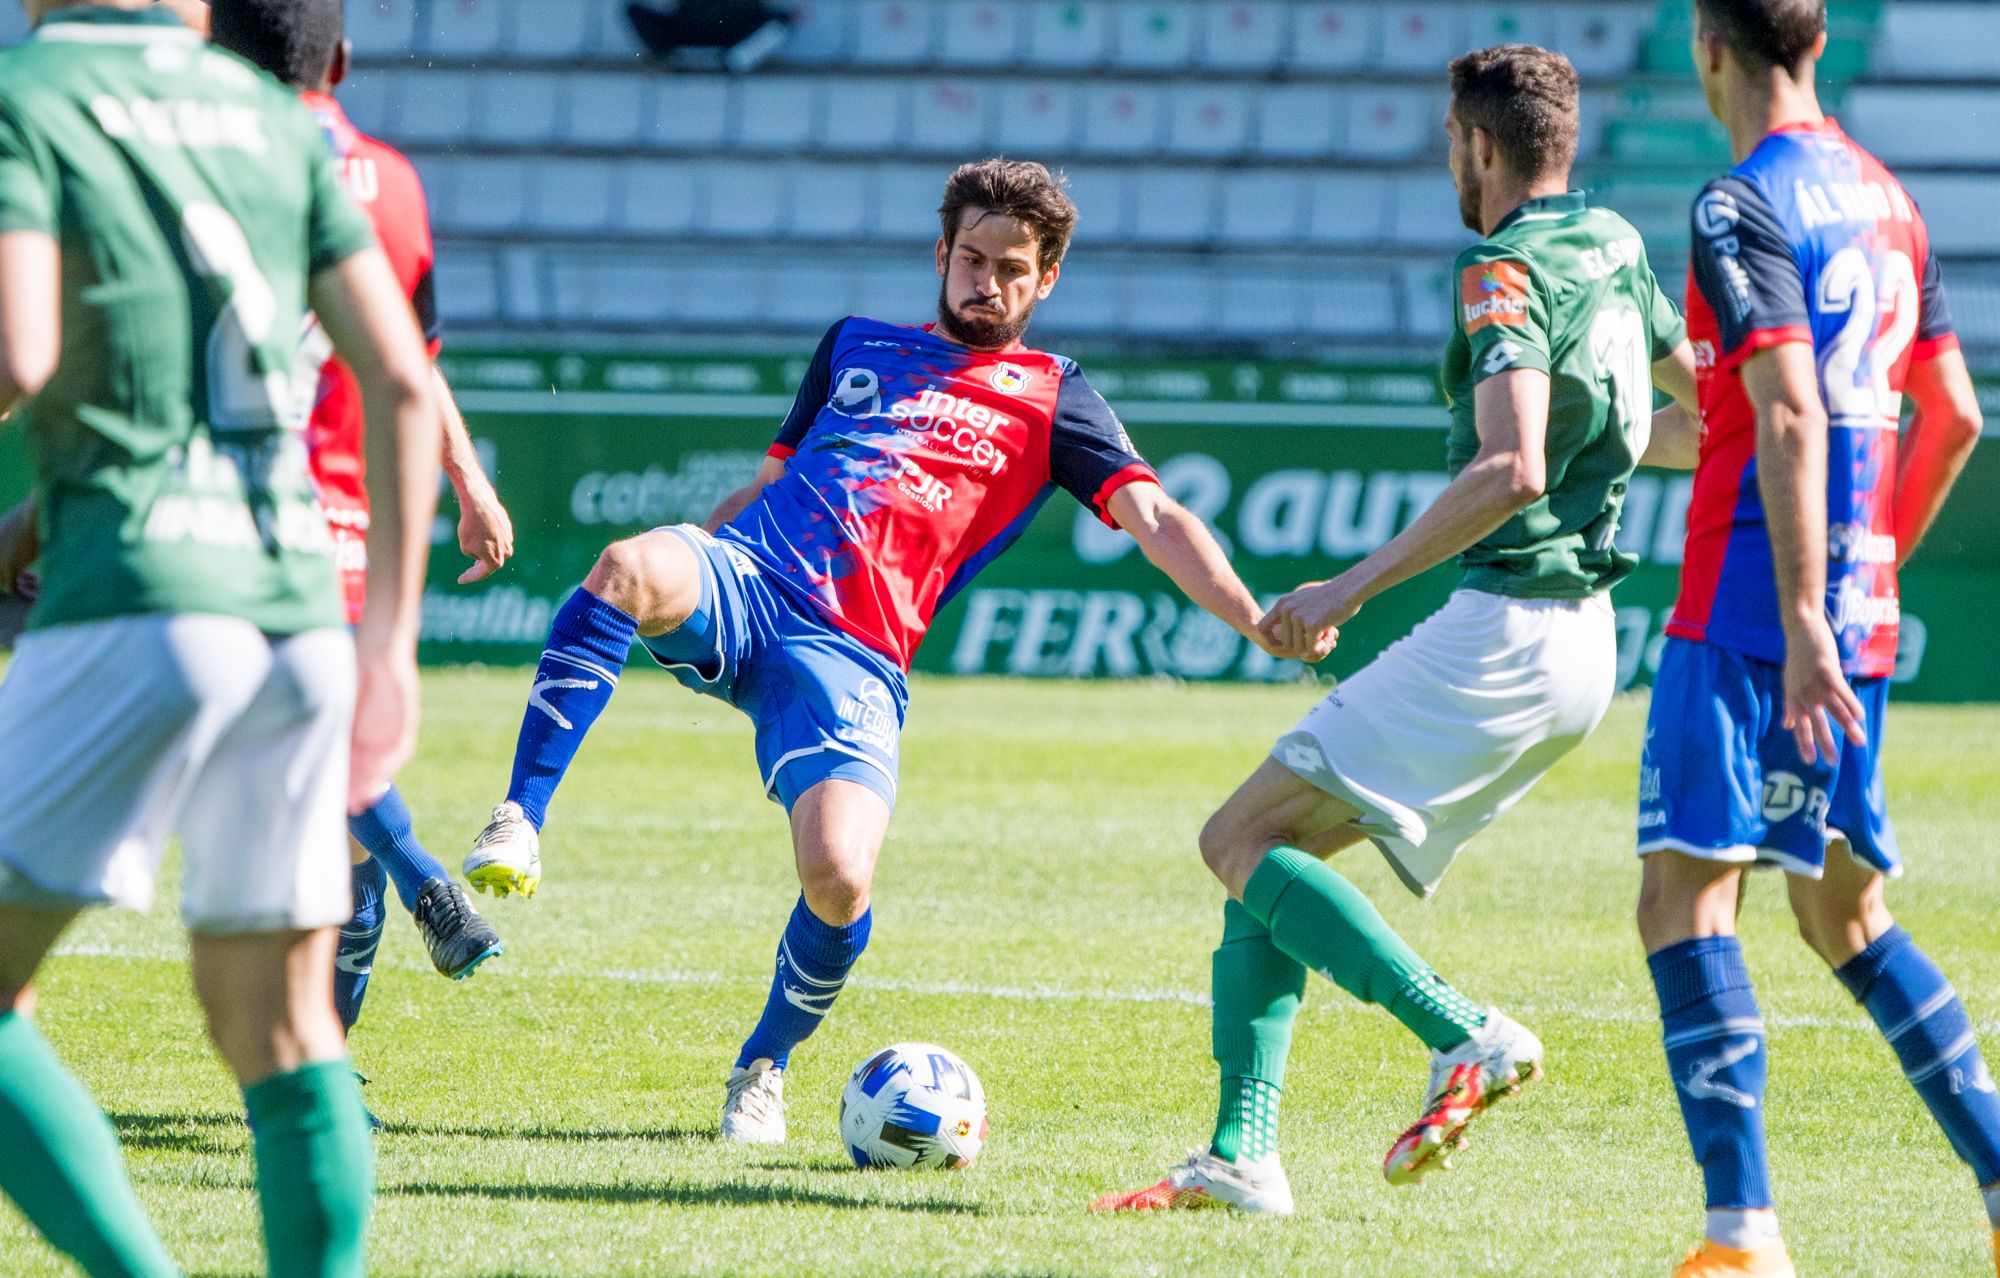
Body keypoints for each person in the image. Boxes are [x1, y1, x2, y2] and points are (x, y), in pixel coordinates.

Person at [463, 157, 1330, 1142]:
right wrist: (696, 555)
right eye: (971, 258)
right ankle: (518, 819)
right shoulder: (853, 344)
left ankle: (762, 1065)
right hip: (749, 582)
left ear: (1046, 281)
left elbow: (1155, 515)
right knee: (624, 565)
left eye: (1012, 268)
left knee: (838, 879)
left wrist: (1250, 615)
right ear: (940, 254)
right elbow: (766, 482)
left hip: (854, 656)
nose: (986, 281)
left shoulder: (1054, 397)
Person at [1093, 44, 1698, 1215]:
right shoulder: (1614, 245)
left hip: (1512, 626)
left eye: (1448, 145)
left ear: (1474, 144)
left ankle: (1461, 1032)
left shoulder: (1499, 271)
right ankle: (1238, 1154)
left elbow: (1512, 465)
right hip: (1583, 645)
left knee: (1235, 838)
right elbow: (1690, 418)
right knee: (1271, 850)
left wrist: (1344, 589)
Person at [0, 0, 440, 1272]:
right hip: (298, 612)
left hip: (137, 597)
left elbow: (21, 348)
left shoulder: (31, 95)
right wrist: (393, 643)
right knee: (285, 1031)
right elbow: (404, 381)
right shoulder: (273, 117)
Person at [1634, 2, 1994, 1275]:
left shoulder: (1740, 202)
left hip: (1748, 614)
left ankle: (1739, 1239)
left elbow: (1787, 415)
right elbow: (1947, 413)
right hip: (1859, 613)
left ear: (1706, 45)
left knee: (1684, 896)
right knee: (1843, 911)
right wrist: (1857, 574)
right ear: (1815, 42)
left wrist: (1795, 619)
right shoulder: (1886, 198)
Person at [204, 0, 513, 1062]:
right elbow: (408, 357)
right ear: (339, 56)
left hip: (220, 509)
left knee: (330, 845)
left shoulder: (187, 160)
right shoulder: (391, 180)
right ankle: (427, 888)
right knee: (324, 781)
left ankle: (333, 1053)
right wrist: (467, 478)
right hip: (343, 517)